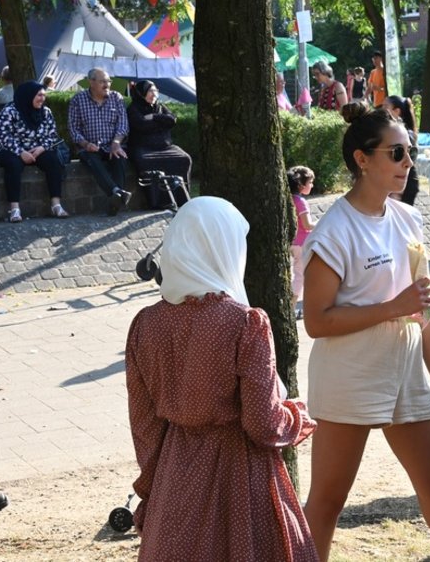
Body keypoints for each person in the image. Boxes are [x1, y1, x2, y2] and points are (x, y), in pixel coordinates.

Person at [301, 102, 430, 562]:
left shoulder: (407, 218)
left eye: (411, 151)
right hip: (350, 375)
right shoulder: (333, 232)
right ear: (363, 160)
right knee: (326, 502)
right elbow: (316, 321)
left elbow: (422, 306)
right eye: (397, 153)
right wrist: (390, 308)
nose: (409, 163)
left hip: (405, 370)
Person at [126, 196, 318, 561]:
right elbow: (263, 425)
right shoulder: (246, 323)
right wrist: (298, 417)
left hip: (175, 474)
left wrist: (152, 492)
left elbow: (145, 428)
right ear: (227, 249)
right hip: (241, 477)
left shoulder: (145, 326)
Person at [0, 81, 68, 222]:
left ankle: (56, 205)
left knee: (53, 160)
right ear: (28, 95)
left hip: (37, 150)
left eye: (44, 95)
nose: (42, 98)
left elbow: (52, 136)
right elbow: (4, 135)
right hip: (10, 150)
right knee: (13, 164)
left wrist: (42, 148)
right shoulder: (9, 111)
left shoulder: (46, 112)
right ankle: (14, 209)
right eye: (39, 95)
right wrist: (21, 152)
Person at [68, 67, 132, 216]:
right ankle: (117, 192)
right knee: (92, 160)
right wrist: (85, 144)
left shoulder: (116, 98)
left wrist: (116, 143)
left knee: (120, 157)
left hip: (112, 145)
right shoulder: (77, 100)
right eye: (103, 81)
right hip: (90, 148)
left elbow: (123, 125)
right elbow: (74, 130)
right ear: (91, 82)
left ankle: (114, 200)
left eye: (108, 81)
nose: (107, 84)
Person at [126, 80, 192, 209]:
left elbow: (172, 120)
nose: (154, 94)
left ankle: (181, 198)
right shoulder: (134, 108)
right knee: (146, 163)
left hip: (165, 146)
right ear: (142, 93)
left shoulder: (160, 106)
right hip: (144, 148)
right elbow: (141, 125)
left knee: (184, 159)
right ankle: (158, 201)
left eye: (155, 90)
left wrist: (154, 117)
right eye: (150, 91)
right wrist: (161, 123)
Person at [288, 165, 316, 319]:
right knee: (300, 276)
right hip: (302, 243)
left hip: (292, 242)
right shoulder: (300, 201)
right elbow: (307, 225)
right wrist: (323, 223)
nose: (312, 185)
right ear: (301, 185)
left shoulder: (289, 199)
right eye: (310, 182)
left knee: (297, 273)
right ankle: (291, 308)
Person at [382, 95, 419, 205]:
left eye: (385, 106)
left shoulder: (403, 135)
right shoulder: (400, 132)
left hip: (404, 186)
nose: (381, 109)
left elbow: (402, 163)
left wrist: (396, 192)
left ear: (396, 111)